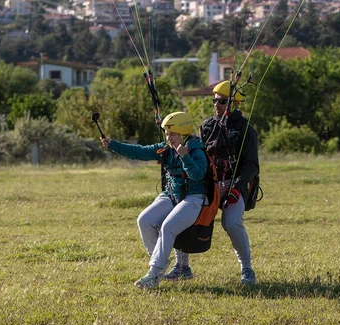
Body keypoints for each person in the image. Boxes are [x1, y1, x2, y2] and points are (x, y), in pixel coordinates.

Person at [165, 80, 260, 285]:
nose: (217, 104)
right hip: (210, 185)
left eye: (222, 101)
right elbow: (197, 152)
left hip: (235, 185)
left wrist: (238, 187)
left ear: (234, 103)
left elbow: (251, 165)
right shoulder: (207, 126)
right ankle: (182, 266)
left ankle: (247, 269)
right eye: (215, 100)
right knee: (183, 215)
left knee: (231, 222)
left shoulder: (245, 128)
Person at [100, 111, 208, 289]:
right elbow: (139, 151)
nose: (168, 137)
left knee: (168, 226)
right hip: (172, 195)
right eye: (166, 133)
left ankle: (154, 272)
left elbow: (197, 175)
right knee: (145, 220)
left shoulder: (196, 150)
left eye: (172, 134)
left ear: (183, 133)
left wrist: (185, 157)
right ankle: (160, 263)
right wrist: (113, 145)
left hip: (194, 198)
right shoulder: (165, 149)